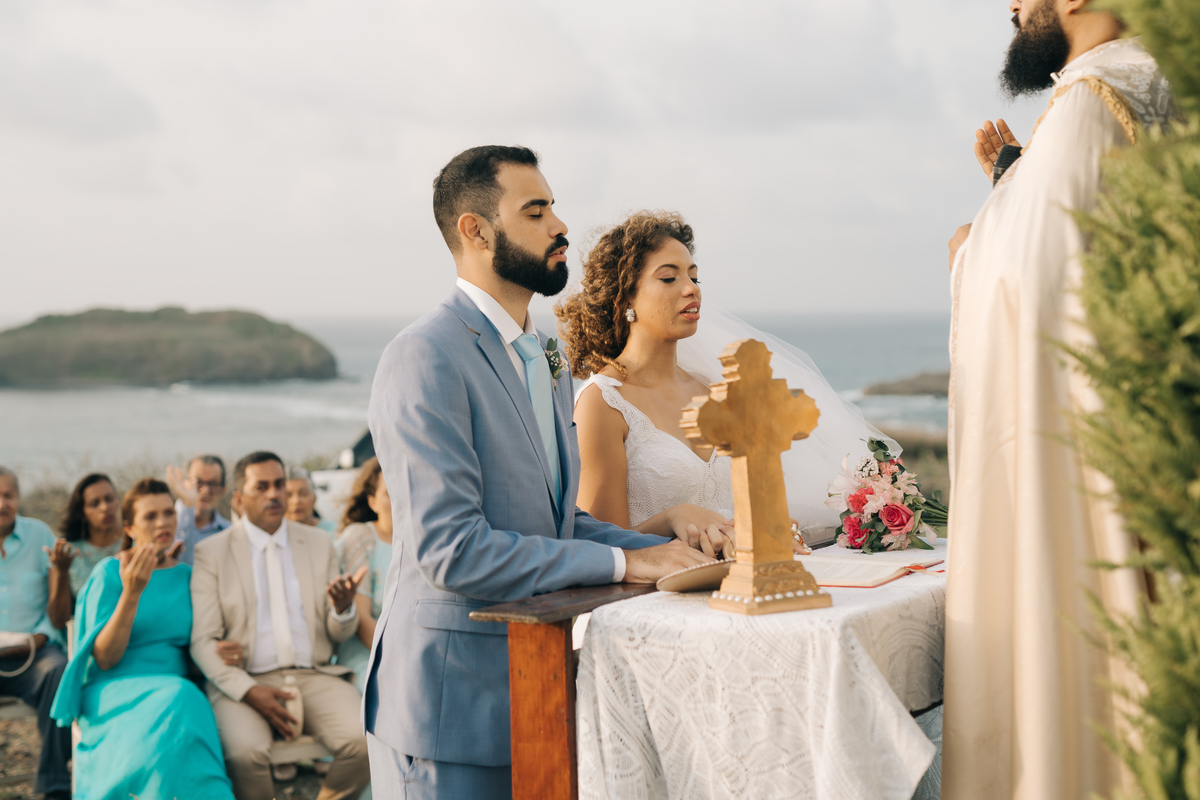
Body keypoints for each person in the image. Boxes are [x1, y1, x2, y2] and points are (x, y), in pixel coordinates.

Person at [365, 145, 720, 800]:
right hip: (450, 708)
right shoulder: (423, 356)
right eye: (536, 211)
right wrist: (624, 566)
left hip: (542, 692)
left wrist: (681, 555)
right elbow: (453, 551)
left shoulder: (547, 353)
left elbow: (557, 523)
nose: (560, 226)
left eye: (554, 207)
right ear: (475, 231)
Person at [942, 3, 1175, 798]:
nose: (1009, 7)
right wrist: (1014, 181)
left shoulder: (1095, 97)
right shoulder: (1146, 83)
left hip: (1085, 452)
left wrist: (969, 251)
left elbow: (1040, 284)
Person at [556, 210, 895, 552]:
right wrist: (674, 517)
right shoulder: (602, 403)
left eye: (694, 277)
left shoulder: (716, 389)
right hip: (657, 594)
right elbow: (602, 545)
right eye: (669, 279)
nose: (691, 289)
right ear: (626, 296)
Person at [190, 451, 370, 800]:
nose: (274, 494)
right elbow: (202, 640)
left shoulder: (319, 543)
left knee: (365, 739)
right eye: (262, 487)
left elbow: (339, 634)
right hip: (244, 680)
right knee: (244, 754)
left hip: (314, 674)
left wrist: (343, 609)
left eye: (279, 485)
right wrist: (248, 690)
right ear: (240, 499)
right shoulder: (212, 553)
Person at [49, 478, 235, 799]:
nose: (163, 522)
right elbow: (105, 659)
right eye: (150, 516)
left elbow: (199, 644)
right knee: (177, 700)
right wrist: (132, 592)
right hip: (114, 688)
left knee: (182, 701)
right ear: (130, 527)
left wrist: (222, 648)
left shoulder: (188, 576)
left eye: (168, 513)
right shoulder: (109, 574)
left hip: (176, 685)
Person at [0, 467, 71, 800]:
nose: (2, 503)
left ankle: (55, 787)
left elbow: (57, 609)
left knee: (59, 670)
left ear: (18, 498)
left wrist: (40, 638)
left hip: (33, 653)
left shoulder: (39, 535)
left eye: (8, 495)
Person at [333, 457, 391, 693]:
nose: (400, 499)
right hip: (370, 654)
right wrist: (400, 663)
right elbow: (362, 619)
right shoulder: (360, 537)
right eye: (389, 492)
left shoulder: (424, 543)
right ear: (373, 501)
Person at [56, 473, 124, 597]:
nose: (105, 507)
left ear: (117, 500)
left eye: (109, 499)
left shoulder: (134, 543)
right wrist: (62, 572)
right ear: (82, 513)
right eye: (94, 504)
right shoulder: (69, 552)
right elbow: (59, 616)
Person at [167, 454, 232, 566]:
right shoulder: (162, 525)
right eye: (198, 482)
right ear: (184, 483)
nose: (205, 490)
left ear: (223, 489)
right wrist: (188, 504)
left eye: (213, 484)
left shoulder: (230, 533)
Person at [286, 466, 336, 536]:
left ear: (314, 499)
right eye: (288, 495)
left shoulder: (334, 532)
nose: (296, 501)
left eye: (303, 494)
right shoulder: (274, 536)